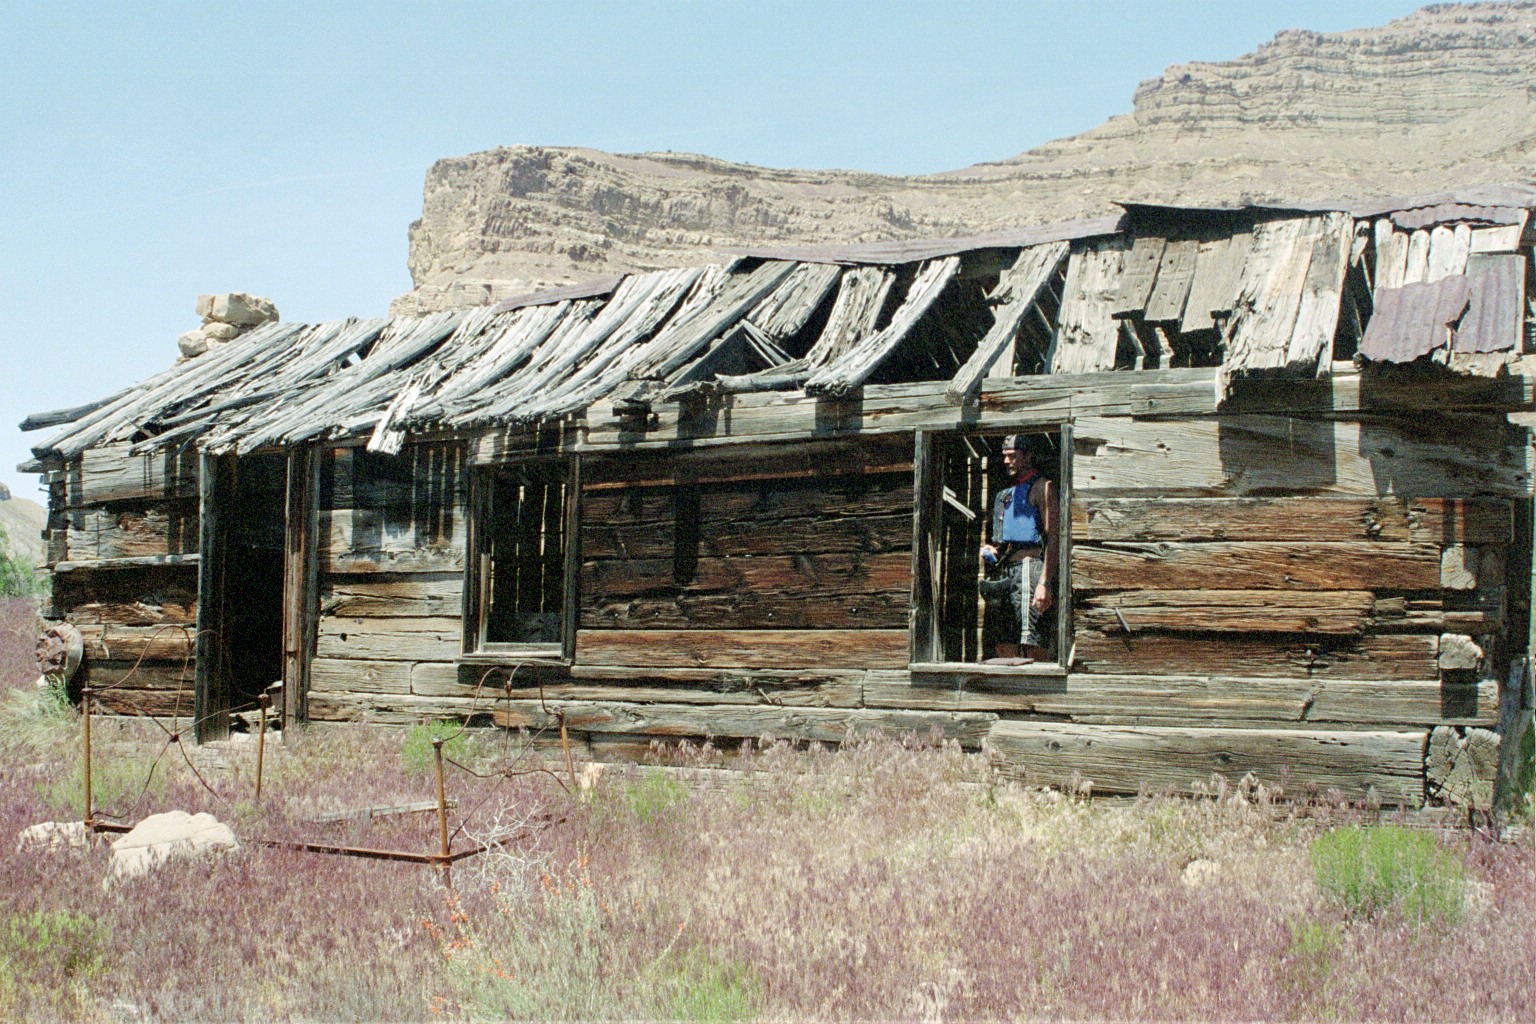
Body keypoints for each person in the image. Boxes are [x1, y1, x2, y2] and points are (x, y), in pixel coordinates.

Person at [980, 434, 1057, 664]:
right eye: (1005, 456)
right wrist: (992, 549)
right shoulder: (1007, 494)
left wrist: (1045, 583)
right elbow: (1008, 538)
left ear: (1027, 456)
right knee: (1004, 643)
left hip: (1029, 569)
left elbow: (1054, 538)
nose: (1006, 461)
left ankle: (1040, 686)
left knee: (1031, 641)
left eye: (1013, 456)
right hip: (1006, 572)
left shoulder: (1042, 487)